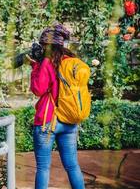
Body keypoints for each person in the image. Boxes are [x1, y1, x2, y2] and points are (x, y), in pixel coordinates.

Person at [27, 24, 85, 189]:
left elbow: (38, 89)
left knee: (43, 168)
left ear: (46, 45)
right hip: (69, 120)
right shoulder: (71, 62)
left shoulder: (47, 62)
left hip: (48, 120)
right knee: (72, 166)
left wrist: (35, 68)